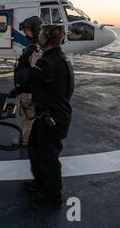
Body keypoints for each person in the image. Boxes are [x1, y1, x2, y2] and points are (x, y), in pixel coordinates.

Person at [16, 25, 74, 210]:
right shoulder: (57, 58)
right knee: (35, 149)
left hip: (52, 119)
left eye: (41, 34)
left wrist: (25, 57)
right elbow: (46, 84)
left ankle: (53, 198)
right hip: (49, 116)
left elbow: (22, 76)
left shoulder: (47, 63)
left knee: (48, 159)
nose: (38, 37)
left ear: (46, 39)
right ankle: (40, 183)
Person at [10, 16, 44, 146]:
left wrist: (25, 90)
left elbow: (35, 73)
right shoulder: (35, 46)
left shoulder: (36, 48)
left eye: (28, 30)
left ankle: (26, 140)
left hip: (29, 91)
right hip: (28, 89)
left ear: (35, 30)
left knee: (28, 116)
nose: (25, 33)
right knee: (28, 115)